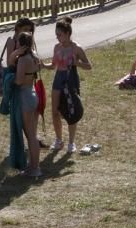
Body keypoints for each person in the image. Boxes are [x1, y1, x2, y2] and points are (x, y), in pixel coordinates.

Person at [48, 17, 92, 153]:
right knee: (55, 111)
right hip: (58, 80)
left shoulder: (76, 48)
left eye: (59, 35)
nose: (57, 37)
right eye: (56, 35)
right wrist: (43, 65)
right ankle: (58, 140)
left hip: (71, 80)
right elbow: (53, 65)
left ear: (67, 34)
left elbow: (89, 66)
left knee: (71, 111)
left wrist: (76, 63)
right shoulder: (57, 47)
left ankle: (71, 143)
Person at [15, 32, 43, 178]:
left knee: (31, 135)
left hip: (25, 95)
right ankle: (33, 166)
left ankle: (35, 168)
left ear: (22, 44)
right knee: (32, 133)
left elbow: (19, 81)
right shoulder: (34, 56)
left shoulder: (23, 60)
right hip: (33, 93)